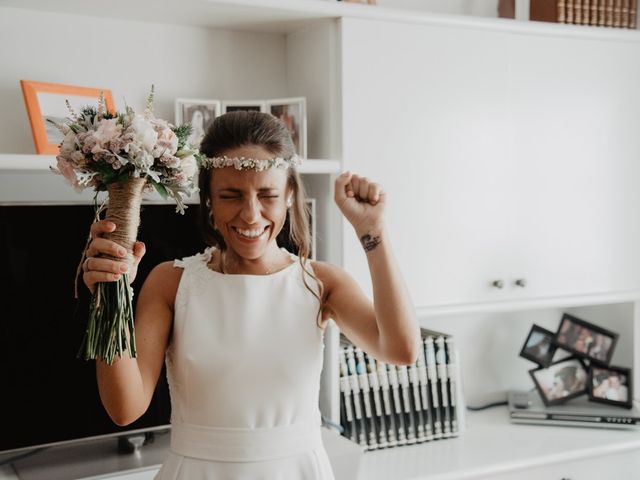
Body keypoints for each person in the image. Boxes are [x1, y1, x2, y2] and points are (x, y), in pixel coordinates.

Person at [81, 111, 420, 479]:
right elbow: (124, 409)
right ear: (208, 199)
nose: (250, 214)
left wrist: (373, 232)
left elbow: (400, 350)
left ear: (290, 195)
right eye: (230, 195)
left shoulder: (321, 283)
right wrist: (109, 293)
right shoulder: (170, 283)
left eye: (268, 195)